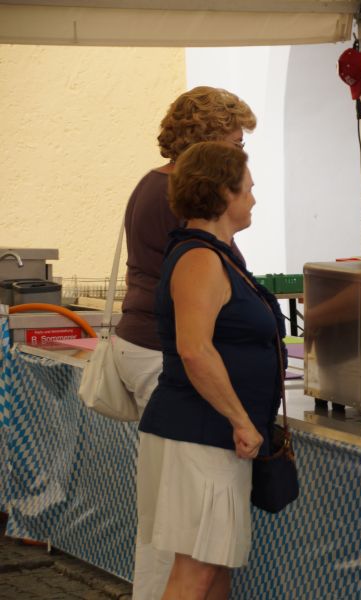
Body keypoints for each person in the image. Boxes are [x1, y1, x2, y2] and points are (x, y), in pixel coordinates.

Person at [111, 86, 256, 600]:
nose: (240, 156)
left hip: (149, 349)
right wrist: (240, 417)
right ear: (208, 141)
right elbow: (195, 343)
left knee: (184, 536)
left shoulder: (153, 184)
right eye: (235, 144)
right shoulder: (187, 216)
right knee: (178, 542)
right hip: (163, 358)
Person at [137, 141, 286, 599]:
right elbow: (195, 350)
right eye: (248, 189)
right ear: (224, 193)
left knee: (216, 567)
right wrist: (241, 420)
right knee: (196, 572)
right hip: (200, 433)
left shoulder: (214, 255)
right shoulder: (199, 260)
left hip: (212, 435)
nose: (254, 199)